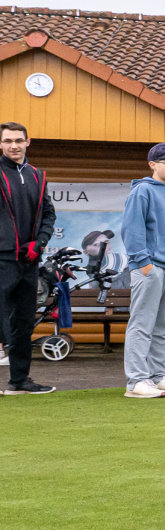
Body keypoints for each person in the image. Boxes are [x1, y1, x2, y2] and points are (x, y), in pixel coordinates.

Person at [120, 143, 165, 399]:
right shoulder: (142, 191)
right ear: (152, 164)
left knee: (164, 327)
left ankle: (158, 376)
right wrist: (144, 264)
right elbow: (131, 230)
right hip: (151, 268)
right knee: (142, 325)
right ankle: (136, 381)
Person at [0, 123, 58, 396]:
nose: (14, 145)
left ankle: (19, 381)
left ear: (28, 142)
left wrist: (40, 243)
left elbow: (48, 214)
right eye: (8, 141)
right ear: (1, 144)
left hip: (29, 261)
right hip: (2, 259)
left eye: (18, 140)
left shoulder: (37, 175)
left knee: (23, 323)